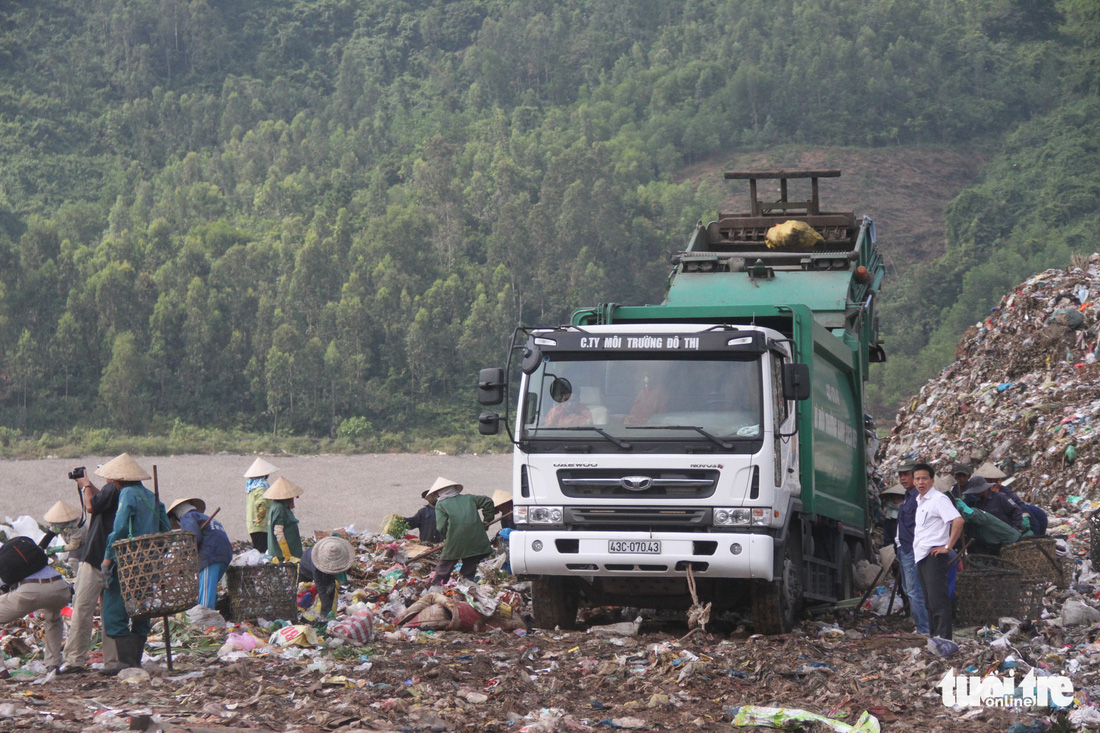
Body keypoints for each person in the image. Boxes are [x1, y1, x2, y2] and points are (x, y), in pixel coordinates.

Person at [100, 453, 171, 673]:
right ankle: (135, 661)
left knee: (114, 608)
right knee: (141, 607)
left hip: (128, 561)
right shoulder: (152, 496)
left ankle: (125, 662)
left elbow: (120, 529)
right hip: (149, 562)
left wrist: (107, 559)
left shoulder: (127, 493)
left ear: (118, 479)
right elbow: (166, 530)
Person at [60, 472, 121, 674]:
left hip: (96, 558)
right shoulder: (128, 493)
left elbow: (91, 506)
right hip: (116, 563)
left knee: (82, 610)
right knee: (110, 613)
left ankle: (74, 660)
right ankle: (113, 661)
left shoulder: (113, 489)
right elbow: (99, 500)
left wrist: (85, 485)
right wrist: (89, 485)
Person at [0, 536, 71, 674]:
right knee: (54, 619)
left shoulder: (5, 562)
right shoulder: (32, 557)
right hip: (60, 588)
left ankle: (1, 670)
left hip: (31, 592)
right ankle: (53, 664)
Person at [912, 463, 964, 641]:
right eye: (917, 479)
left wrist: (948, 546)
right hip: (922, 556)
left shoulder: (938, 499)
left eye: (924, 478)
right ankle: (935, 639)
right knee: (929, 602)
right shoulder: (920, 501)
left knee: (938, 601)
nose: (921, 482)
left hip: (935, 556)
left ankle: (944, 640)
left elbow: (958, 521)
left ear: (932, 480)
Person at [426, 477, 496, 589]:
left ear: (439, 493)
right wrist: (487, 520)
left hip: (455, 540)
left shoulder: (441, 504)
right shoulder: (469, 498)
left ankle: (436, 588)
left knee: (445, 565)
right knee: (470, 563)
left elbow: (440, 526)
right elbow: (488, 501)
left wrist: (446, 537)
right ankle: (466, 587)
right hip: (476, 538)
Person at [167, 498, 232, 611]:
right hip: (224, 555)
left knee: (206, 594)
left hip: (210, 556)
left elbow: (194, 537)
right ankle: (211, 617)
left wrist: (184, 552)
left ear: (177, 517)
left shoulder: (187, 517)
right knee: (210, 589)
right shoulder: (204, 518)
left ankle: (205, 622)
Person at [893, 461, 929, 635]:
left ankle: (924, 628)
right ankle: (922, 625)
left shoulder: (918, 498)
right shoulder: (908, 496)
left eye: (906, 474)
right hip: (904, 548)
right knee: (911, 590)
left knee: (915, 591)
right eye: (901, 475)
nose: (903, 478)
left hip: (912, 548)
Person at [299, 535, 355, 617]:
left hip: (323, 570)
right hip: (307, 570)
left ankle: (328, 609)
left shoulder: (334, 548)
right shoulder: (316, 564)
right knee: (306, 594)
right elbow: (320, 586)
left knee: (330, 587)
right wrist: (327, 607)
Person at [264, 477, 304, 562]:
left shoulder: (278, 505)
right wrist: (286, 554)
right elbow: (278, 532)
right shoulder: (279, 508)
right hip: (281, 556)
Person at [39, 500, 86, 571]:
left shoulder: (77, 527)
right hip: (73, 544)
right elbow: (49, 536)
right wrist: (40, 548)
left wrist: (54, 549)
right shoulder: (58, 525)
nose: (53, 525)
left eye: (55, 523)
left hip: (84, 544)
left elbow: (74, 546)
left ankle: (73, 574)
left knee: (73, 563)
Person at [244, 457, 278, 553]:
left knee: (258, 549)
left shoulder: (251, 487)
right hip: (261, 525)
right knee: (262, 551)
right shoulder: (261, 486)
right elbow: (261, 502)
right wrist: (261, 516)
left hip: (253, 524)